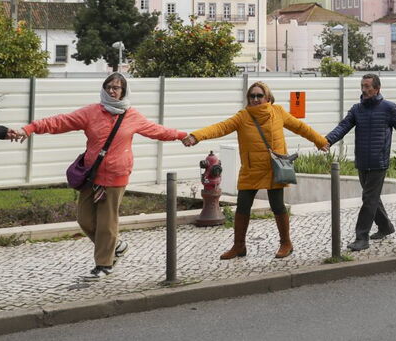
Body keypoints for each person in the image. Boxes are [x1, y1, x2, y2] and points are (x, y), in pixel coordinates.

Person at [20, 74, 187, 280]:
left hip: (116, 176)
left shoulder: (132, 116)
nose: (112, 91)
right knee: (85, 220)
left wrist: (182, 135)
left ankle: (103, 264)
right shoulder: (91, 112)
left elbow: (158, 131)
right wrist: (32, 127)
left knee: (107, 223)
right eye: (108, 87)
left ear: (124, 91)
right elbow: (61, 121)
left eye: (116, 88)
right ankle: (116, 246)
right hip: (91, 176)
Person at [184, 81, 327, 259]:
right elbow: (220, 127)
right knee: (242, 207)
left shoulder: (278, 112)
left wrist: (319, 140)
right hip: (251, 169)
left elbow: (300, 127)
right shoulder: (242, 116)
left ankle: (286, 243)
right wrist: (196, 136)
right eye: (252, 96)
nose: (256, 99)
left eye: (259, 95)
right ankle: (239, 246)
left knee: (277, 206)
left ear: (268, 97)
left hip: (274, 168)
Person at [323, 74, 396, 251]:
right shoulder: (356, 109)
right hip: (362, 161)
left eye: (368, 86)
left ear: (377, 88)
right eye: (362, 86)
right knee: (372, 198)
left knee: (368, 198)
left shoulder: (388, 108)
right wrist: (328, 140)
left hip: (378, 161)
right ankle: (385, 227)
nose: (364, 90)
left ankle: (362, 237)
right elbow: (343, 127)